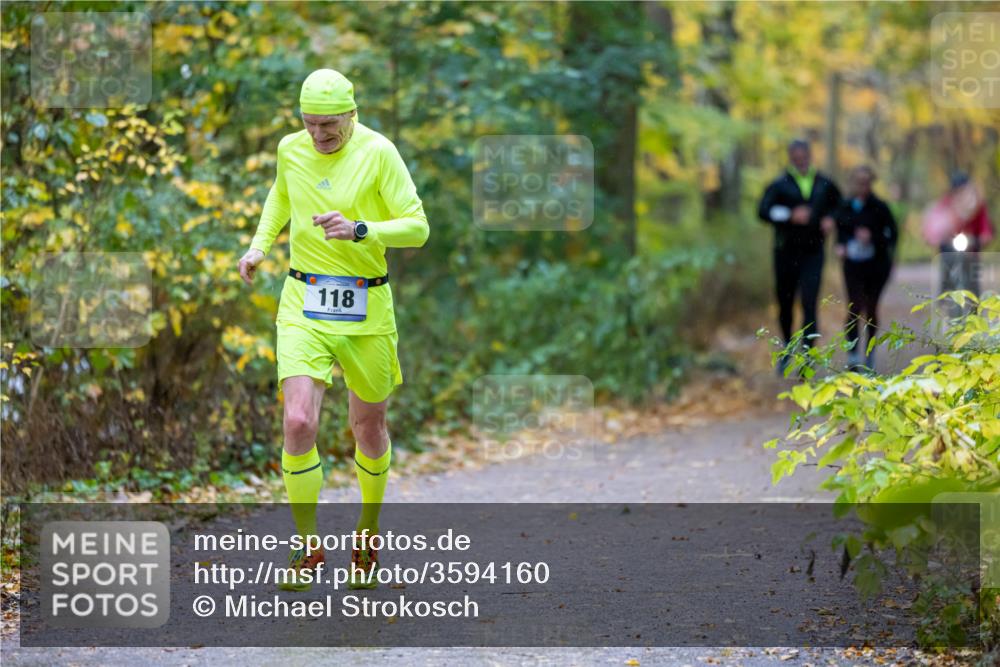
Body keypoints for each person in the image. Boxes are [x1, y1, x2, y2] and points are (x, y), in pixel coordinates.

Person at [238, 69, 429, 591]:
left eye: (330, 126)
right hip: (304, 299)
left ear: (352, 114)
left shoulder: (379, 152)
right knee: (298, 422)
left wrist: (361, 228)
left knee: (367, 427)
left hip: (366, 304)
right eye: (310, 124)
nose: (320, 136)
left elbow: (418, 225)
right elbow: (281, 195)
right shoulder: (290, 149)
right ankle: (307, 548)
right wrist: (260, 245)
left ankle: (367, 536)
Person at [758, 139, 842, 372]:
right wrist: (789, 215)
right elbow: (763, 211)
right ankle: (787, 347)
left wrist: (831, 219)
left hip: (813, 253)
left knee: (809, 302)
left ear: (810, 155)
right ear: (790, 158)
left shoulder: (825, 183)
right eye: (795, 157)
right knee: (785, 304)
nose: (800, 160)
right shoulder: (779, 184)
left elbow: (840, 206)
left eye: (803, 156)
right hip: (784, 253)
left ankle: (807, 354)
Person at [831, 166, 897, 371]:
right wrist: (840, 246)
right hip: (852, 266)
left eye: (866, 182)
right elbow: (840, 232)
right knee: (854, 307)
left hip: (877, 267)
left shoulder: (880, 207)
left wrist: (873, 238)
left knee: (871, 309)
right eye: (858, 182)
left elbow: (892, 235)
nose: (862, 186)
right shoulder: (845, 206)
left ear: (871, 183)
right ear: (852, 183)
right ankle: (852, 355)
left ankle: (869, 355)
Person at [933, 171, 995, 297]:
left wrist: (983, 238)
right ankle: (945, 293)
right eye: (957, 191)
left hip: (971, 246)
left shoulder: (978, 205)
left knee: (973, 277)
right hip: (950, 245)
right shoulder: (947, 202)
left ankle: (974, 305)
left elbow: (986, 230)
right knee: (945, 261)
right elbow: (936, 224)